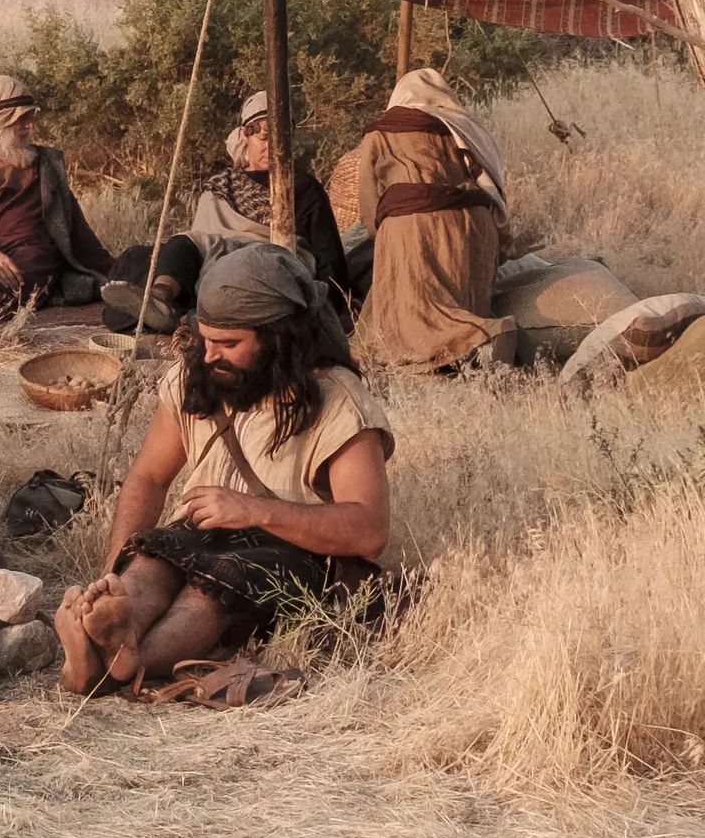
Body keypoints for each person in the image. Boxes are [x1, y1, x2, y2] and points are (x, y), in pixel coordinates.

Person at [57, 243, 392, 695]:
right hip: (204, 528)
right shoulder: (196, 374)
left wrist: (253, 511)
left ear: (277, 338)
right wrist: (113, 569)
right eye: (206, 337)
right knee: (153, 560)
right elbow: (149, 478)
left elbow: (369, 529)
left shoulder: (338, 401)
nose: (210, 355)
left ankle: (126, 664)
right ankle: (113, 633)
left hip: (296, 548)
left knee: (212, 590)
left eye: (229, 344)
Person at [102, 91, 350, 333]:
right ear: (246, 137)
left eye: (282, 138)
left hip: (267, 265)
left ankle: (197, 314)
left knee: (241, 273)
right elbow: (200, 238)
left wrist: (329, 307)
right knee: (160, 250)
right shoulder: (222, 184)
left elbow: (327, 254)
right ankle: (160, 298)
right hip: (214, 258)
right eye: (264, 139)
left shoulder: (302, 186)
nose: (273, 146)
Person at [353, 68, 517, 371]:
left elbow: (368, 197)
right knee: (460, 298)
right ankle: (469, 362)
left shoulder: (382, 131)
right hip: (473, 224)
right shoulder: (462, 126)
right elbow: (489, 183)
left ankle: (486, 334)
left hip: (412, 224)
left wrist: (382, 234)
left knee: (414, 312)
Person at [0, 74, 113, 323]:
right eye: (22, 120)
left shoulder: (45, 166)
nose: (31, 127)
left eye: (30, 118)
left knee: (34, 264)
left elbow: (76, 228)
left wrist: (109, 271)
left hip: (29, 265)